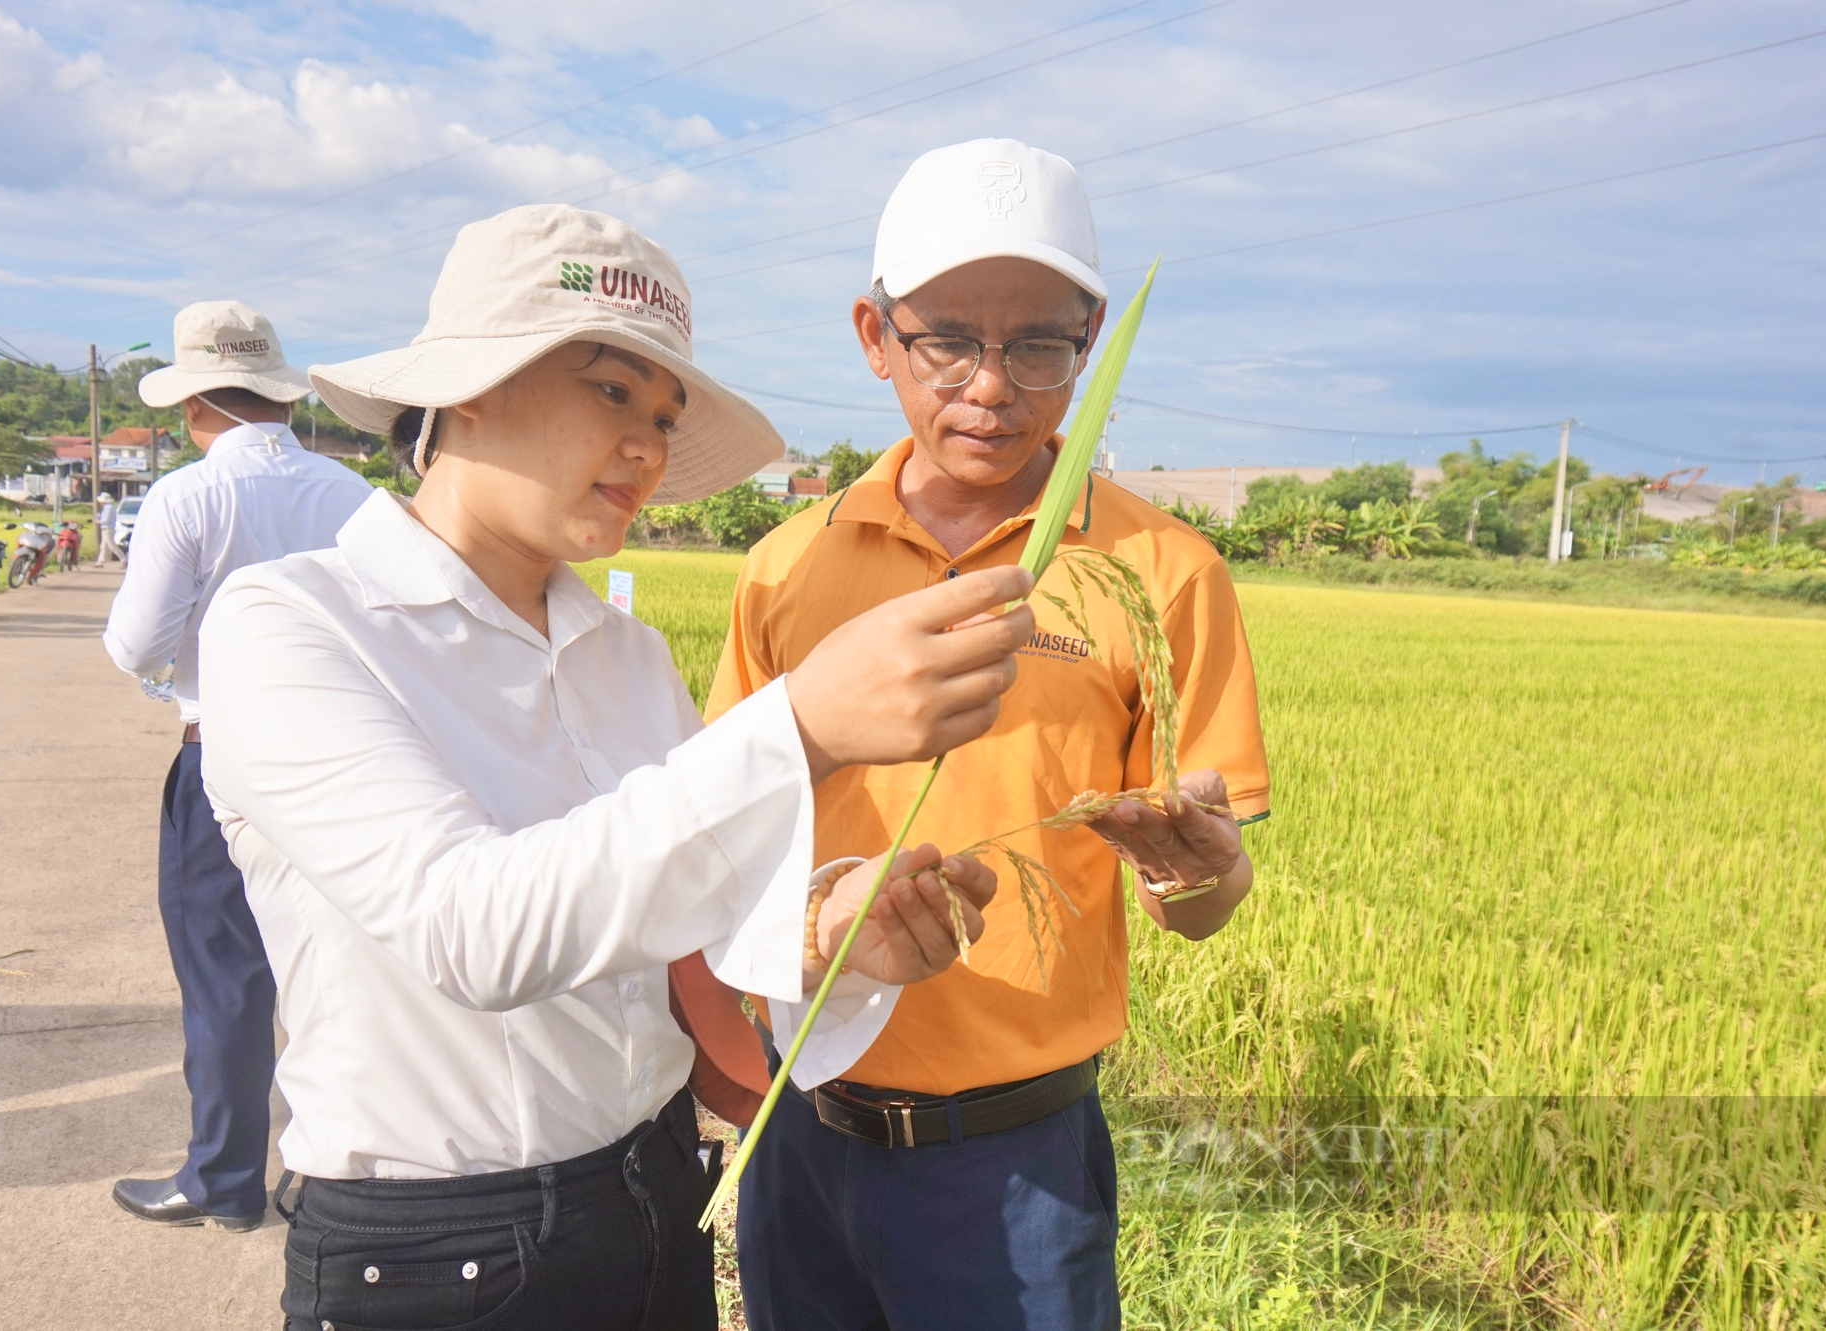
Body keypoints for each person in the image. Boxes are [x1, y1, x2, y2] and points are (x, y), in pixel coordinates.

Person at [197, 203, 1030, 1331]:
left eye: (661, 412)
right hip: (441, 1253)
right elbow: (471, 927)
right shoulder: (292, 624)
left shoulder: (626, 653)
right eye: (607, 390)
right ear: (466, 387)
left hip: (652, 1196)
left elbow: (691, 927)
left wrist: (831, 926)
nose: (644, 445)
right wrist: (802, 723)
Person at [708, 139, 1273, 1330]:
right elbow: (723, 828)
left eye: (1038, 345)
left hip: (1014, 1161)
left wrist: (1205, 880)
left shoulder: (1162, 573)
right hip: (799, 1124)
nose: (990, 386)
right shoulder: (786, 565)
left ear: (1093, 342)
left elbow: (1192, 896)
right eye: (947, 339)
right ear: (875, 335)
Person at [103, 301, 374, 1231]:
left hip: (223, 756)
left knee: (228, 975)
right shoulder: (355, 496)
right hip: (348, 762)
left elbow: (136, 644)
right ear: (283, 397)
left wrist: (175, 659)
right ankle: (346, 1174)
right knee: (340, 968)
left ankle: (222, 1178)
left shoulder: (187, 496)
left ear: (192, 407)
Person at [93, 492, 123, 564]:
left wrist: (98, 521)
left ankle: (123, 558)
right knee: (103, 546)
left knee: (111, 546)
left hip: (108, 529)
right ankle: (100, 561)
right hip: (107, 528)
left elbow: (106, 520)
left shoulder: (108, 508)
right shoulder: (108, 507)